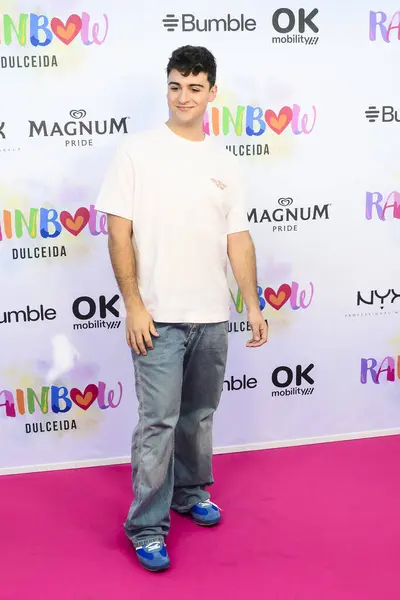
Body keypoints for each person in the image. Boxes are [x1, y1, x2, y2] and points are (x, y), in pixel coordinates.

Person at [95, 45, 268, 572]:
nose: (184, 96)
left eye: (195, 87)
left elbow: (238, 238)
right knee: (159, 423)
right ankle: (146, 526)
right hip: (158, 318)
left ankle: (190, 493)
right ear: (167, 88)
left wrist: (253, 304)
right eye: (175, 86)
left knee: (198, 418)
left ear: (212, 92)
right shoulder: (136, 152)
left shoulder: (225, 162)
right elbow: (118, 231)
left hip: (213, 315)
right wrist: (134, 305)